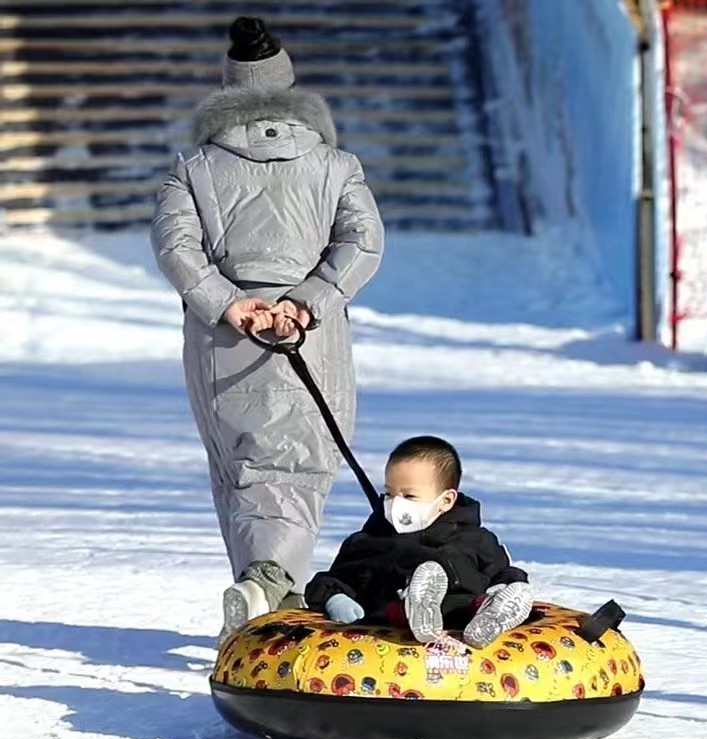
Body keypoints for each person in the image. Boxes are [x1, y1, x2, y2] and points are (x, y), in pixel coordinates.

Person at [150, 17, 384, 638]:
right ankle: (268, 588)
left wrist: (228, 303)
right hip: (311, 334)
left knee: (240, 467)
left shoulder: (196, 167)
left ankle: (260, 596)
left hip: (224, 337)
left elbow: (175, 244)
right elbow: (364, 240)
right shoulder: (337, 165)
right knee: (297, 465)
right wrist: (309, 299)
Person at [304, 436, 533, 649]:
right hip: (392, 619)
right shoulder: (370, 541)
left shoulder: (475, 540)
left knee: (476, 602)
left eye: (409, 496)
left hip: (464, 614)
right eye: (389, 494)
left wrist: (504, 586)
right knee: (391, 608)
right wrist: (335, 598)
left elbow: (503, 570)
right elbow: (332, 579)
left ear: (446, 501)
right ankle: (415, 610)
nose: (396, 505)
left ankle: (490, 615)